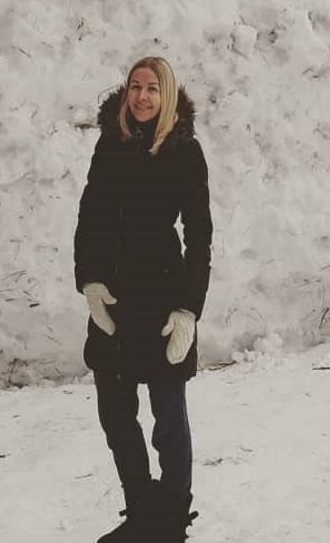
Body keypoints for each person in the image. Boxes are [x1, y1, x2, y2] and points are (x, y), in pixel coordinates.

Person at [74, 56, 212, 543]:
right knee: (115, 410)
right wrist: (90, 283)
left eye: (153, 88)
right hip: (114, 296)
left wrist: (188, 311)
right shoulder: (110, 146)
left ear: (167, 95)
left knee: (168, 414)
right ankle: (141, 512)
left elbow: (199, 236)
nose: (142, 97)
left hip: (161, 296)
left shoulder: (185, 152)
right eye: (135, 87)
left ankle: (171, 520)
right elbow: (89, 216)